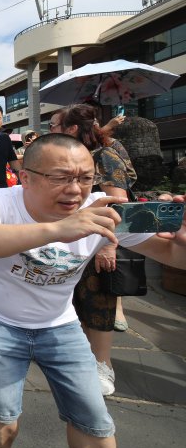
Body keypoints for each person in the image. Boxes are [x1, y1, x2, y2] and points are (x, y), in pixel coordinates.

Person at [0, 132, 186, 448]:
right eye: (61, 178)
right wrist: (60, 228)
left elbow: (172, 256)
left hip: (59, 324)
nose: (75, 190)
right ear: (25, 177)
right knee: (4, 416)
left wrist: (181, 244)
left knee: (94, 420)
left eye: (85, 178)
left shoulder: (100, 209)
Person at [50, 104, 138, 394]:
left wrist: (109, 245)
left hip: (98, 242)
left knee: (98, 302)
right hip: (70, 241)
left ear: (72, 129)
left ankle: (103, 365)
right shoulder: (67, 159)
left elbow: (119, 203)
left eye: (56, 126)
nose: (52, 131)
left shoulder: (105, 157)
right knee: (74, 305)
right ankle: (80, 360)